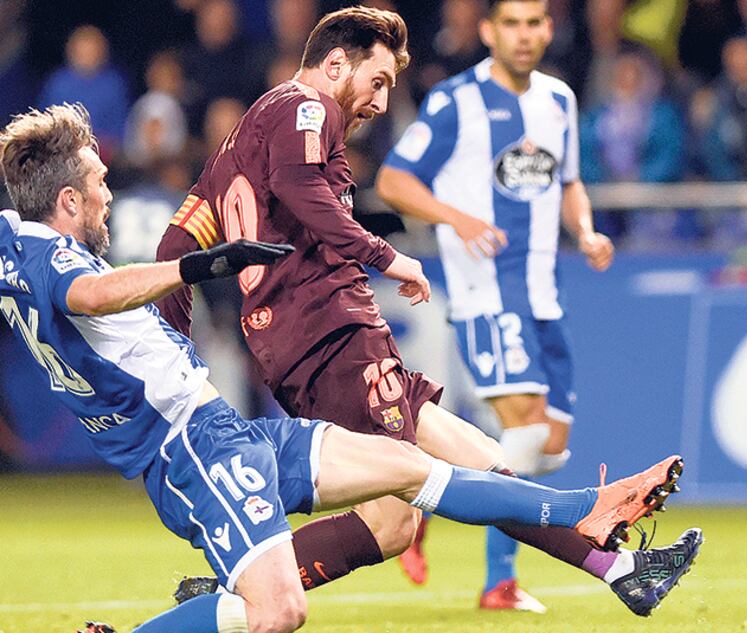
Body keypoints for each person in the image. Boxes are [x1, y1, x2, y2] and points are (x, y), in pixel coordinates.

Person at [0, 103, 703, 633]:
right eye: (96, 183)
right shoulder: (54, 262)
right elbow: (90, 291)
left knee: (411, 471)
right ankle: (600, 535)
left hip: (225, 430)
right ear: (67, 202)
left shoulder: (13, 248)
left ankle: (594, 525)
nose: (107, 193)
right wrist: (197, 267)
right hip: (194, 450)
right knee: (275, 612)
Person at [154, 5, 693, 619]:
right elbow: (303, 188)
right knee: (397, 514)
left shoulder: (242, 141)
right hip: (329, 335)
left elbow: (176, 248)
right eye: (377, 80)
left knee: (481, 460)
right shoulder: (306, 106)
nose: (382, 102)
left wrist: (175, 357)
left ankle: (622, 568)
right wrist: (385, 255)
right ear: (336, 64)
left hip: (325, 338)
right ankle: (231, 594)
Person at [376, 0, 615, 611]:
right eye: (512, 22)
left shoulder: (559, 100)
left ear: (549, 29)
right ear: (488, 31)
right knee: (526, 426)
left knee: (548, 446)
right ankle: (498, 583)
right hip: (485, 290)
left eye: (535, 22)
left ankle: (421, 492)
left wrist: (584, 231)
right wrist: (458, 218)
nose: (525, 34)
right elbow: (394, 181)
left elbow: (569, 182)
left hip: (544, 294)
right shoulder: (457, 101)